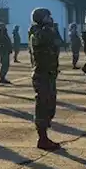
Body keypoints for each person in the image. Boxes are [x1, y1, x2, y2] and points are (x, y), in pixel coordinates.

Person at [29, 9, 63, 150]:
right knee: (43, 105)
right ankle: (42, 138)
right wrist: (50, 28)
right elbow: (43, 39)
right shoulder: (35, 32)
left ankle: (45, 136)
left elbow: (59, 42)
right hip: (41, 74)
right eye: (47, 16)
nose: (50, 18)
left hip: (49, 73)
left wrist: (53, 28)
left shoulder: (48, 30)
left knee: (50, 106)